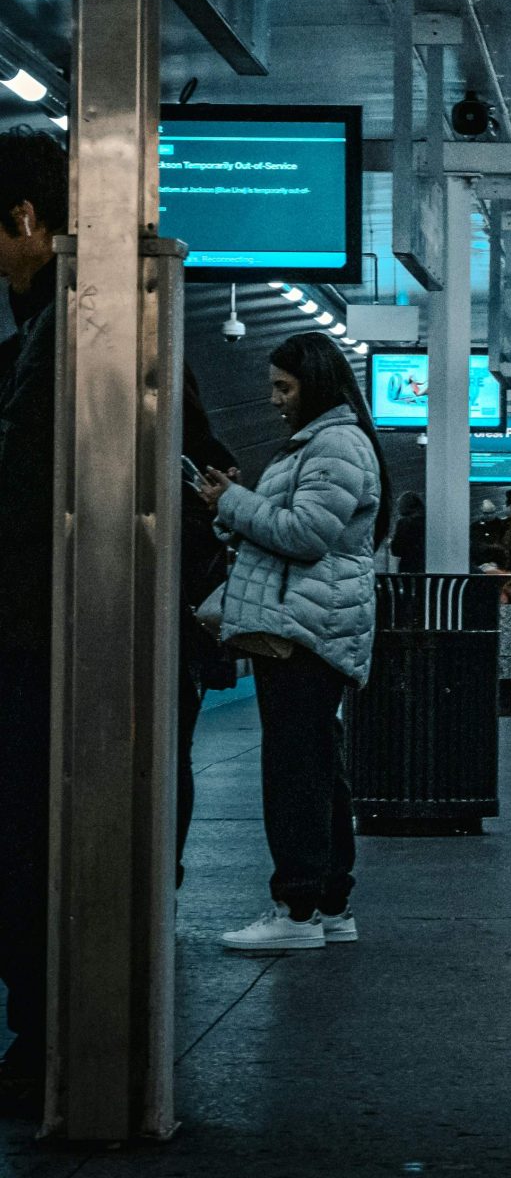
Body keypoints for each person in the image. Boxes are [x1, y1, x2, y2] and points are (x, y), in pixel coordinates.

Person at [194, 330, 388, 954]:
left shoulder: (334, 443)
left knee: (294, 768)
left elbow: (306, 534)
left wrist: (234, 502)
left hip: (309, 626)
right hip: (312, 620)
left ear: (316, 384)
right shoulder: (325, 442)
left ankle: (295, 908)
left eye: (284, 386)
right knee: (317, 765)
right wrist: (238, 502)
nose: (275, 399)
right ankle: (329, 902)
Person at [0, 127, 64, 1114]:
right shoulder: (46, 328)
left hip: (39, 637)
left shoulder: (67, 333)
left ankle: (45, 1039)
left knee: (28, 834)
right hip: (38, 630)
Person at [177, 367, 239, 892]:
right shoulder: (209, 453)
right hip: (189, 628)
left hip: (179, 623)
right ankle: (162, 875)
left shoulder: (197, 460)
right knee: (173, 752)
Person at [387, 491, 426, 573]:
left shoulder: (403, 523)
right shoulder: (427, 523)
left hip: (408, 568)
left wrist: (391, 543)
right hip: (424, 567)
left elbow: (396, 550)